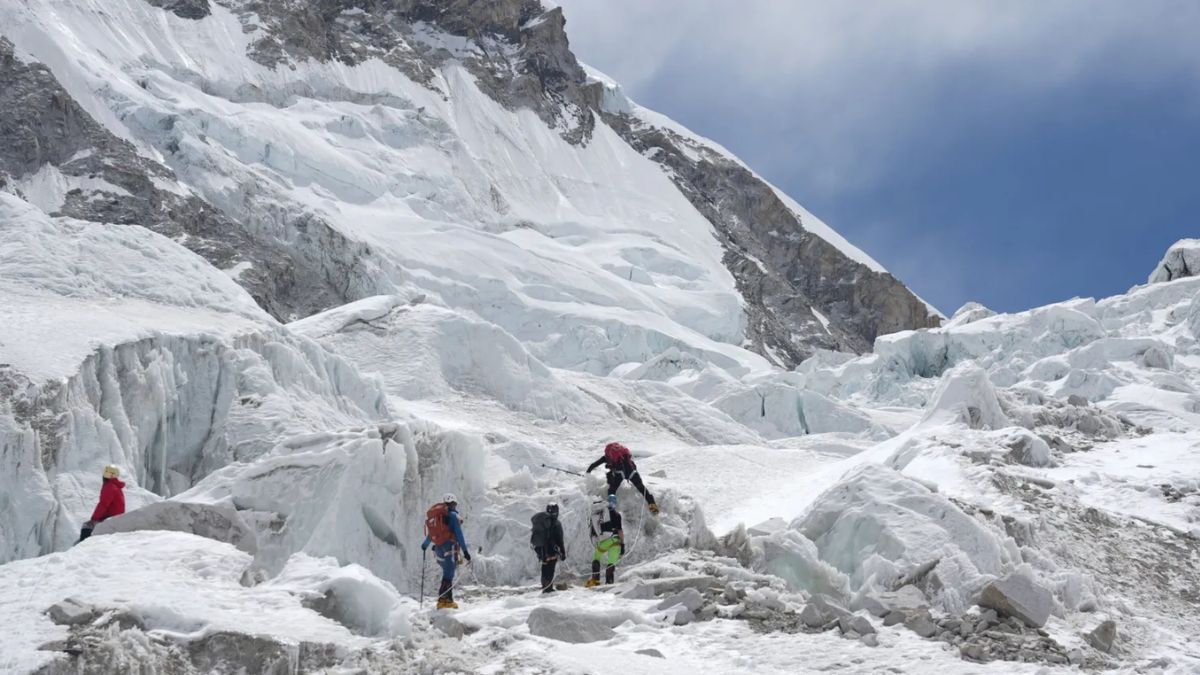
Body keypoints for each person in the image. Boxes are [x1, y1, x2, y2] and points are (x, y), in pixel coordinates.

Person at [422, 493, 470, 609]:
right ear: (454, 504)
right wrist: (465, 551)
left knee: (447, 573)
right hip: (449, 547)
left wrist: (425, 545)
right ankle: (443, 600)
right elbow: (459, 534)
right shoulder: (453, 515)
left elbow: (432, 534)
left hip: (438, 548)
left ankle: (448, 601)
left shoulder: (439, 517)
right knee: (449, 574)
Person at [586, 442, 658, 514]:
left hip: (619, 474)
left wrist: (587, 472)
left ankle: (612, 508)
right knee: (642, 489)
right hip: (632, 473)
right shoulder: (625, 457)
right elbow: (634, 466)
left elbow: (593, 465)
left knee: (612, 490)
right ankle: (653, 507)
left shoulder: (606, 457)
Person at [78, 465, 126, 543]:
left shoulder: (110, 487)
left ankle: (83, 546)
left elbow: (103, 504)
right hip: (116, 517)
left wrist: (94, 519)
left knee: (86, 526)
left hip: (111, 518)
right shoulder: (116, 486)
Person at [585, 499, 623, 587]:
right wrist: (623, 545)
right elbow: (620, 531)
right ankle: (609, 583)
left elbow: (593, 530)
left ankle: (595, 580)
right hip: (614, 541)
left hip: (603, 541)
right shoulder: (617, 515)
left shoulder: (598, 514)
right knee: (611, 562)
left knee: (596, 558)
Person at [530, 503, 567, 593]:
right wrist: (563, 552)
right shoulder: (556, 523)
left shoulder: (543, 521)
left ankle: (545, 586)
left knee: (545, 566)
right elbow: (560, 540)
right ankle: (548, 589)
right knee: (551, 568)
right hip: (551, 549)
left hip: (541, 548)